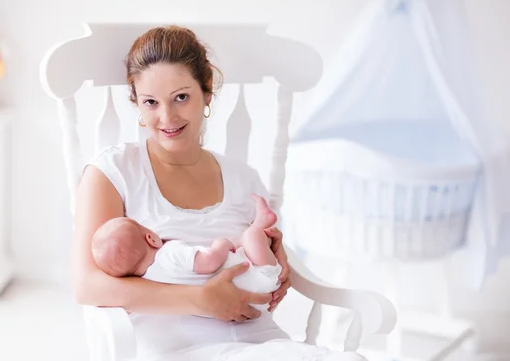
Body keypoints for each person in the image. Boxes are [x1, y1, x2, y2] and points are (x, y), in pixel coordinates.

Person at [73, 25, 366, 360]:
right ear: (137, 104)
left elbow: (262, 263)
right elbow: (88, 285)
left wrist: (275, 261)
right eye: (151, 102)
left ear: (207, 91)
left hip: (262, 343)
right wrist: (202, 299)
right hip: (179, 348)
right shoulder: (113, 171)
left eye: (181, 97)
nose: (166, 117)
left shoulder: (244, 179)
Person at [91, 194, 282, 311]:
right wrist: (220, 245)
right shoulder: (170, 253)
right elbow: (209, 263)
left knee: (242, 244)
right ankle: (261, 223)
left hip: (248, 299)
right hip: (259, 275)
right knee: (251, 235)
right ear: (150, 238)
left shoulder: (151, 278)